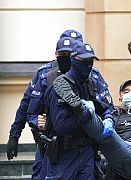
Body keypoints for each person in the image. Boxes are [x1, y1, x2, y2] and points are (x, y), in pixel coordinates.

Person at [5, 29, 83, 179]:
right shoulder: (44, 74)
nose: (68, 55)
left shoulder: (89, 73)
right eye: (64, 52)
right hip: (50, 144)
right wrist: (14, 136)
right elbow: (26, 107)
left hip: (81, 146)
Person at [44, 79, 131, 179]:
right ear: (120, 99)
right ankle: (81, 108)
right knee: (103, 127)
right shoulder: (114, 115)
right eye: (126, 91)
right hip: (121, 153)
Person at [44, 42, 108, 179]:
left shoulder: (89, 84)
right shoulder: (60, 86)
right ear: (73, 60)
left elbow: (105, 108)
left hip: (87, 151)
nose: (89, 65)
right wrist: (87, 114)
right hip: (64, 154)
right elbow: (61, 127)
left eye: (91, 61)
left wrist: (108, 119)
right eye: (84, 61)